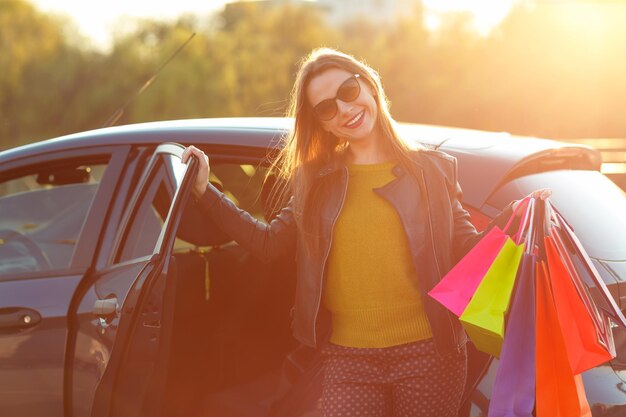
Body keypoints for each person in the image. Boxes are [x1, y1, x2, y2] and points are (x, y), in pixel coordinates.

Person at [182, 48, 550, 417]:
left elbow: (469, 251)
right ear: (322, 124)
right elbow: (268, 244)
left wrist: (518, 219)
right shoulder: (314, 182)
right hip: (347, 358)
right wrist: (204, 192)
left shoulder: (432, 171)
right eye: (326, 108)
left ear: (369, 86)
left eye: (348, 91)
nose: (343, 109)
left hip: (430, 356)